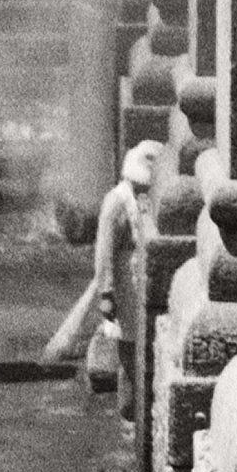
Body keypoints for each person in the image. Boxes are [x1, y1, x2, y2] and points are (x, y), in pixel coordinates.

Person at [94, 142, 160, 424]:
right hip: (124, 283)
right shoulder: (116, 201)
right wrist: (106, 291)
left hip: (139, 280)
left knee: (140, 343)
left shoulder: (141, 199)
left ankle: (138, 404)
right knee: (129, 346)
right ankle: (130, 408)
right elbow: (105, 251)